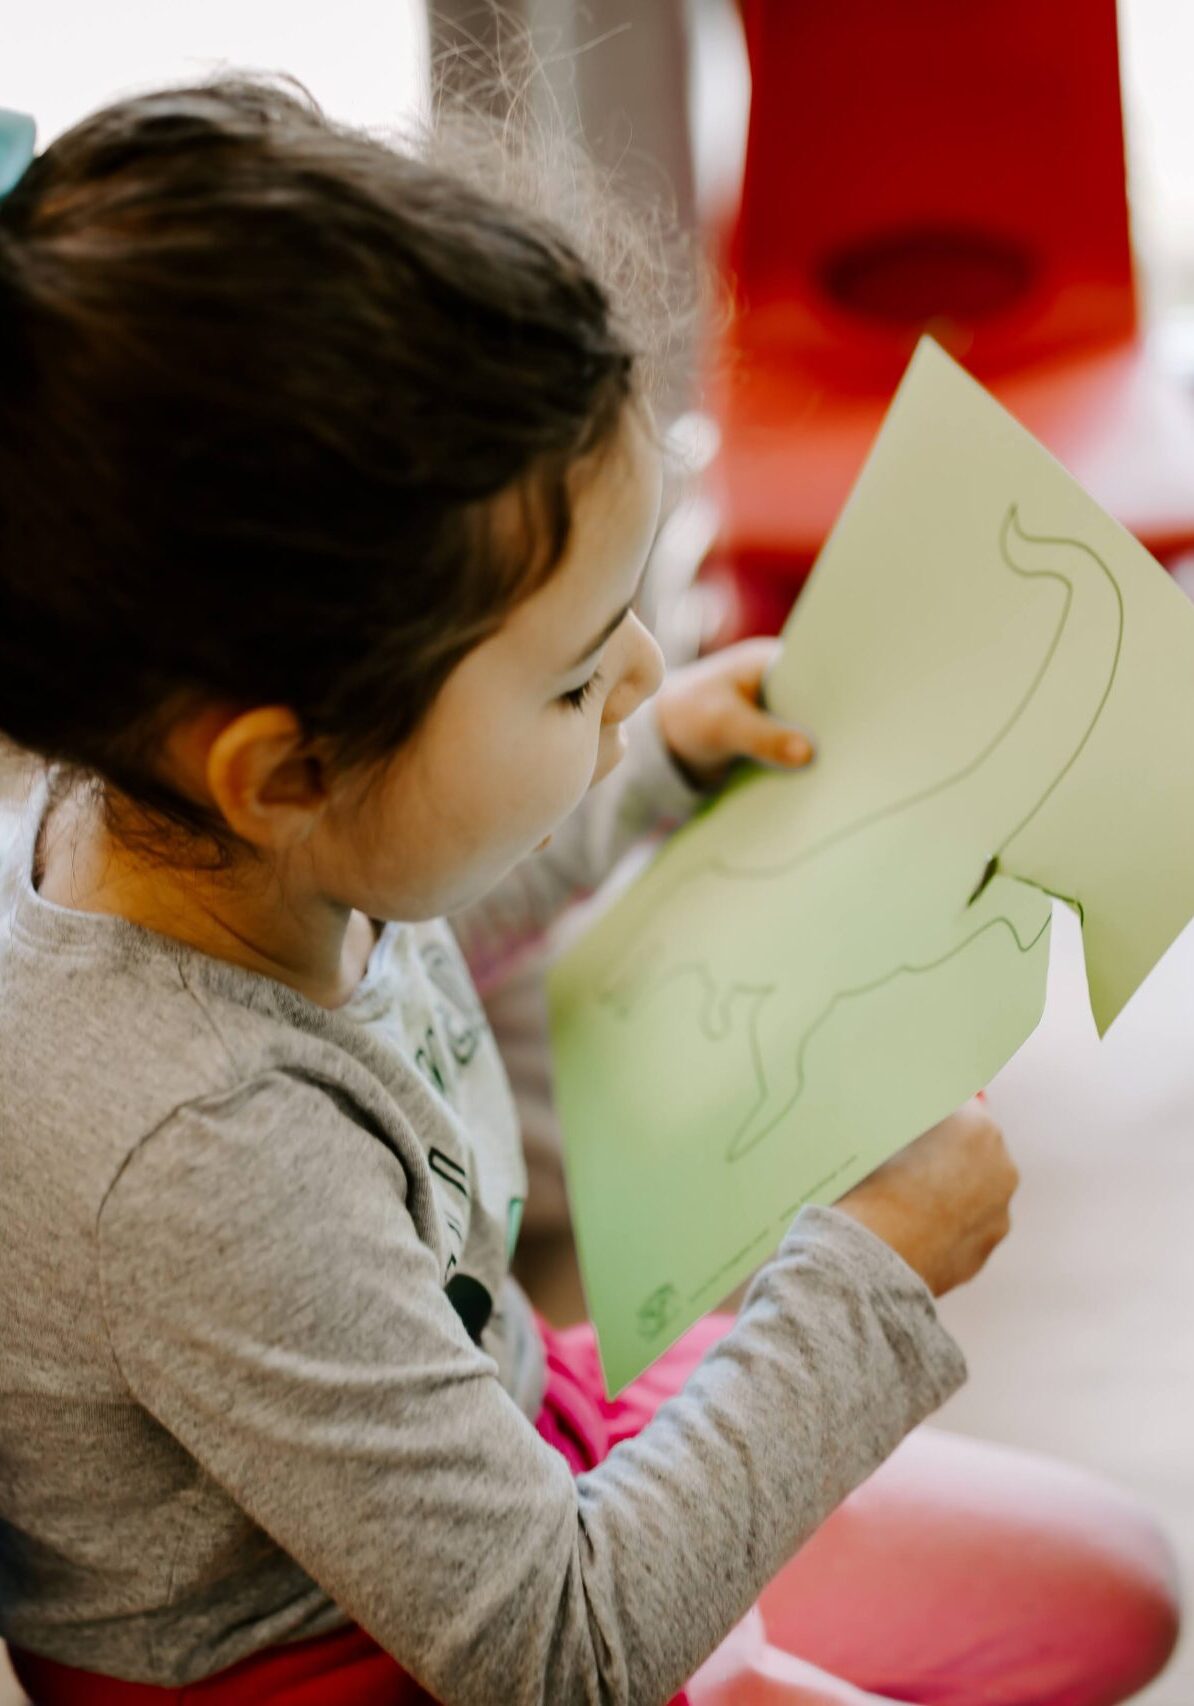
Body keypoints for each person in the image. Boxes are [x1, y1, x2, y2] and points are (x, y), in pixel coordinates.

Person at [0, 80, 1178, 1706]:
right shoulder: (194, 1157)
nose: (639, 673)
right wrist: (867, 1270)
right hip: (377, 1654)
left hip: (495, 1437)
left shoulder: (196, 832)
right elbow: (561, 1650)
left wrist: (638, 780)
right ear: (281, 769)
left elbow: (405, 926)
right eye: (569, 683)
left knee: (1109, 1598)